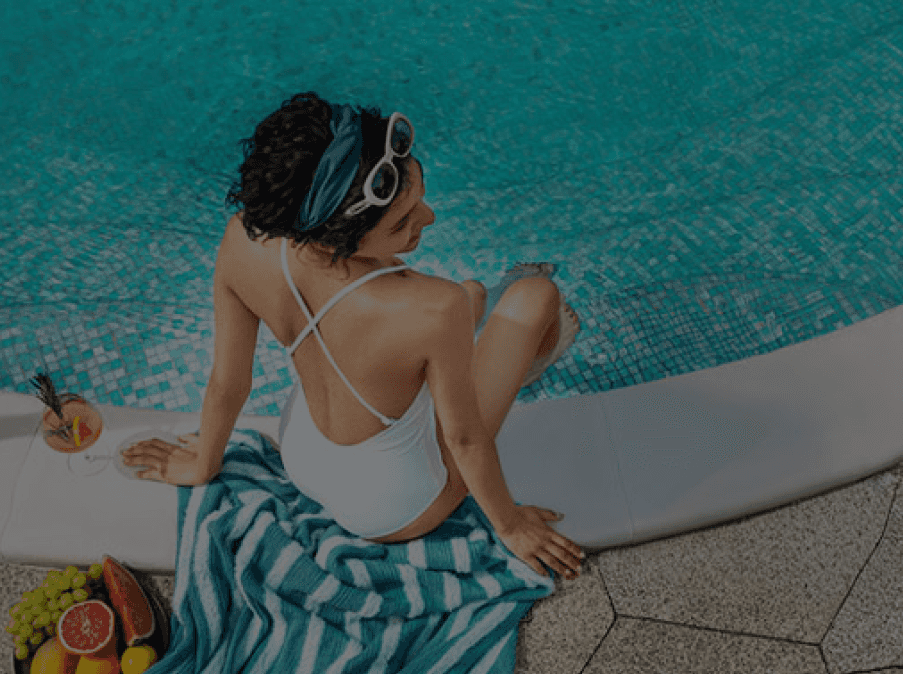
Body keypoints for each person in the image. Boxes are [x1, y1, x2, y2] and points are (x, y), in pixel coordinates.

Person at [121, 92, 584, 581]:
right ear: (333, 240)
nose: (428, 218)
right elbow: (465, 440)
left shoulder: (244, 238)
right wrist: (510, 526)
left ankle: (468, 363)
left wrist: (201, 464)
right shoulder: (432, 305)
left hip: (303, 454)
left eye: (418, 196)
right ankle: (520, 364)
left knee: (471, 294)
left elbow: (228, 381)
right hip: (392, 508)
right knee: (533, 295)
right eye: (402, 222)